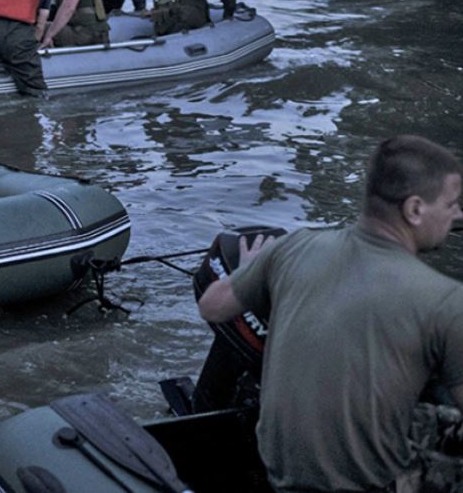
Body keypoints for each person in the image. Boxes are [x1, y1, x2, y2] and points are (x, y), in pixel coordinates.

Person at [198, 135, 463, 492]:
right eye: (451, 203)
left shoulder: (294, 247)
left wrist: (251, 269)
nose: (458, 214)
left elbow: (211, 305)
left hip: (280, 473)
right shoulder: (445, 300)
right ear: (414, 209)